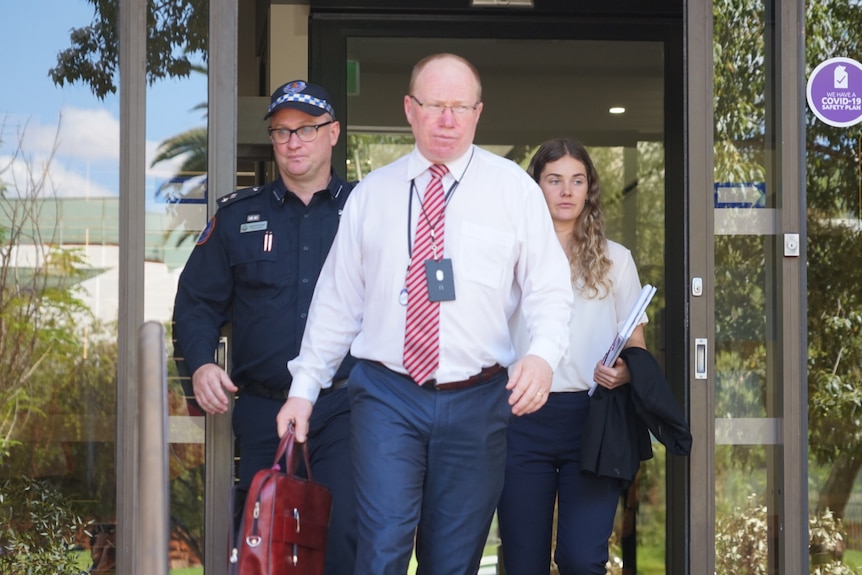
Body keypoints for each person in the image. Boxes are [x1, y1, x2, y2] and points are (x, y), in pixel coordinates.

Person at [275, 53, 574, 575]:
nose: (447, 119)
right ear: (410, 109)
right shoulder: (372, 197)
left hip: (479, 400)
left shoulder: (514, 192)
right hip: (387, 396)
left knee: (452, 559)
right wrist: (304, 388)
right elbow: (337, 303)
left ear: (478, 112)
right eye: (435, 105)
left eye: (460, 107)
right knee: (383, 546)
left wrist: (543, 356)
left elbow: (550, 290)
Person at [172, 80, 357, 575]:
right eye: (281, 131)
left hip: (344, 408)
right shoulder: (238, 217)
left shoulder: (365, 211)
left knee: (343, 542)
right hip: (262, 410)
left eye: (307, 129)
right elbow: (195, 304)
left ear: (333, 133)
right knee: (263, 549)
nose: (294, 141)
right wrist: (202, 364)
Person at [497, 137, 648, 575]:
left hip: (593, 418)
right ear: (535, 187)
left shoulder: (615, 260)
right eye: (554, 180)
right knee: (524, 562)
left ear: (588, 190)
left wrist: (624, 373)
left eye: (577, 181)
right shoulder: (511, 258)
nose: (566, 191)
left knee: (582, 559)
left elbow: (635, 345)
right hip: (522, 417)